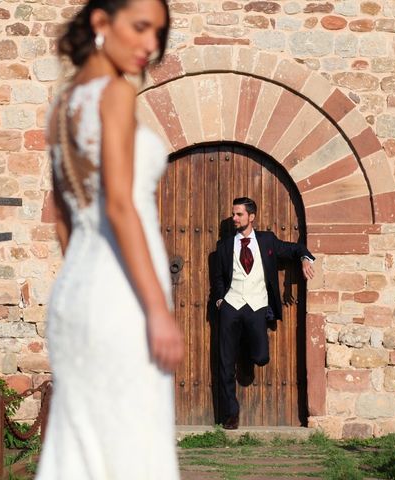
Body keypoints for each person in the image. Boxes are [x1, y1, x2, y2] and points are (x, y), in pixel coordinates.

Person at [36, 0, 183, 478]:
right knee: (132, 444)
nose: (150, 45)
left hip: (75, 295)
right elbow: (120, 206)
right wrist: (158, 310)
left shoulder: (62, 103)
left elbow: (63, 216)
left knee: (80, 446)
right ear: (101, 23)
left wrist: (85, 279)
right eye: (140, 28)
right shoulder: (115, 94)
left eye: (158, 33)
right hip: (121, 298)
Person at [212, 197, 315, 430]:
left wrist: (304, 258)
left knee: (261, 356)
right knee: (225, 362)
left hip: (257, 305)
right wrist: (220, 300)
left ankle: (248, 353)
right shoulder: (225, 245)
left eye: (239, 214)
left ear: (251, 216)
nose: (234, 218)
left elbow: (294, 248)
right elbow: (218, 277)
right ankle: (231, 413)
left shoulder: (267, 240)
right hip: (231, 305)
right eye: (233, 214)